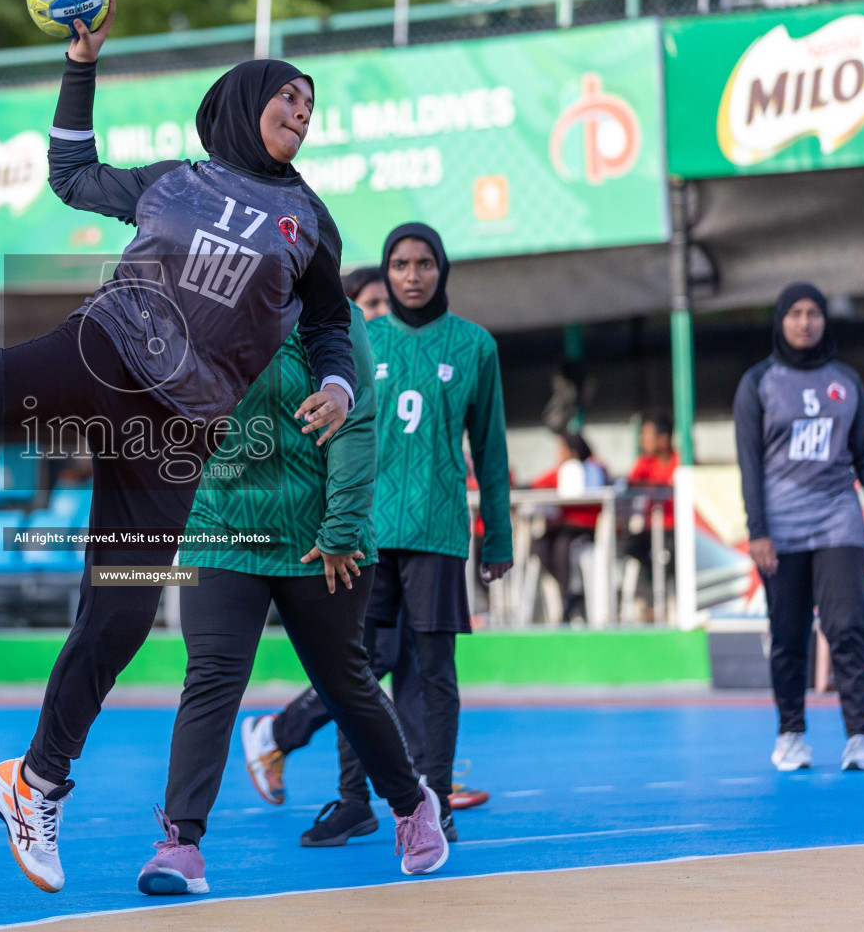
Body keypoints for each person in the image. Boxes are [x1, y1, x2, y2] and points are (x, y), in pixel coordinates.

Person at [0, 0, 357, 894]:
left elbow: (331, 323)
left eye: (312, 106)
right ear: (243, 101)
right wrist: (80, 65)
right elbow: (71, 172)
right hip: (111, 344)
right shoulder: (177, 180)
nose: (302, 112)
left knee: (122, 618)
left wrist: (337, 382)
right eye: (289, 95)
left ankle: (37, 781)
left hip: (182, 422)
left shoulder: (311, 224)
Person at [139, 301, 448, 896]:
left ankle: (411, 806)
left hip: (320, 535)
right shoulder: (195, 313)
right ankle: (182, 845)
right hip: (224, 528)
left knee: (343, 681)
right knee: (210, 677)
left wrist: (340, 529)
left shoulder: (334, 317)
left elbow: (356, 425)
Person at [240, 223, 511, 846]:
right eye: (399, 264)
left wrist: (498, 538)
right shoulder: (357, 337)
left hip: (440, 532)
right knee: (353, 667)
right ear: (385, 273)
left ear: (441, 269)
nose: (412, 275)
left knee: (435, 672)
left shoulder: (475, 346)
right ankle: (352, 801)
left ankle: (434, 798)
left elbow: (491, 452)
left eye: (423, 263)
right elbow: (325, 435)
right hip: (365, 532)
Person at [734, 282, 864, 773]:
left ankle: (859, 738)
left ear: (825, 320)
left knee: (847, 626)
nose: (805, 322)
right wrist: (757, 530)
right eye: (795, 313)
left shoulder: (845, 382)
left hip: (837, 523)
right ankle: (791, 735)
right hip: (780, 532)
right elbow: (749, 465)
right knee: (788, 635)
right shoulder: (758, 382)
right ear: (781, 320)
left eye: (814, 313)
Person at [529, 431, 607, 624]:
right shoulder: (563, 470)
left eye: (562, 449)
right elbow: (538, 484)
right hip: (563, 527)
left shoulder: (594, 467)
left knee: (563, 546)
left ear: (573, 451)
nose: (559, 454)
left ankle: (568, 596)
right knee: (539, 544)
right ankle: (570, 593)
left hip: (585, 528)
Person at [624, 413, 679, 620]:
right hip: (650, 530)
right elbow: (630, 485)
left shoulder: (680, 461)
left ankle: (663, 604)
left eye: (646, 435)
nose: (642, 440)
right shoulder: (644, 463)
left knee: (668, 554)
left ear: (663, 439)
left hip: (675, 529)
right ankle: (652, 601)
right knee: (633, 547)